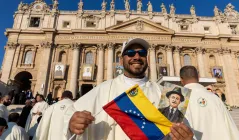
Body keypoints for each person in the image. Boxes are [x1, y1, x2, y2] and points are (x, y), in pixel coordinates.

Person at [63, 38, 193, 140]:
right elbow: (69, 115)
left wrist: (186, 137)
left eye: (141, 53)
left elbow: (180, 130)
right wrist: (71, 124)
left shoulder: (165, 94)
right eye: (130, 53)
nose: (136, 57)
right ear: (121, 60)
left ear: (147, 59)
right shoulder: (103, 89)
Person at [179, 66, 239, 139]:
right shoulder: (215, 98)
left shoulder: (176, 99)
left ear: (181, 79)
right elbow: (231, 129)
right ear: (198, 77)